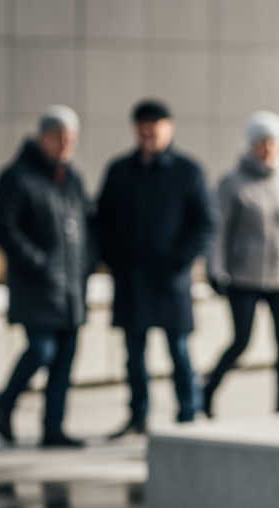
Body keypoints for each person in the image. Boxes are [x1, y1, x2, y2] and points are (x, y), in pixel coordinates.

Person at [95, 100, 215, 437]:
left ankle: (188, 415)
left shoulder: (187, 171)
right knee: (133, 356)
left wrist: (179, 261)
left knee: (179, 352)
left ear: (170, 127)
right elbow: (102, 221)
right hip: (131, 281)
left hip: (170, 282)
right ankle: (138, 416)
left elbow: (205, 224)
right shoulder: (120, 170)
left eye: (156, 124)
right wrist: (114, 260)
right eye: (143, 124)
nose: (149, 131)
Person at [203, 111, 279, 416]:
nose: (269, 149)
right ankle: (207, 390)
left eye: (275, 142)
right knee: (241, 343)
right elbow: (218, 232)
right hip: (243, 278)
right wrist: (215, 271)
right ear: (251, 145)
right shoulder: (232, 183)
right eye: (262, 142)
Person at [0, 106, 95, 448]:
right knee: (41, 350)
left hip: (71, 288)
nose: (65, 143)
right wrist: (37, 261)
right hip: (36, 287)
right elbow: (2, 227)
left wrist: (86, 265)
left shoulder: (72, 179)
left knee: (64, 362)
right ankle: (6, 402)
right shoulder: (18, 177)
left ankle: (53, 429)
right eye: (58, 136)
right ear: (41, 138)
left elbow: (85, 228)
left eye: (71, 138)